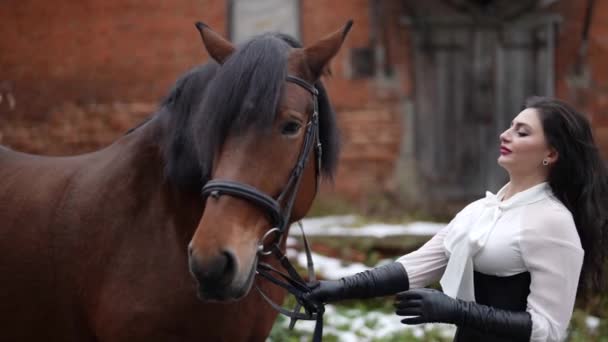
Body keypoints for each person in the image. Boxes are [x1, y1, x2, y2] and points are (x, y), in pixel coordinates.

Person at [305, 96, 608, 341]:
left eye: (522, 132)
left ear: (551, 154)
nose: (505, 134)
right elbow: (414, 267)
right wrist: (338, 289)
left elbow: (548, 330)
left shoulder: (553, 221)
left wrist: (456, 311)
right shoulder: (481, 211)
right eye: (510, 126)